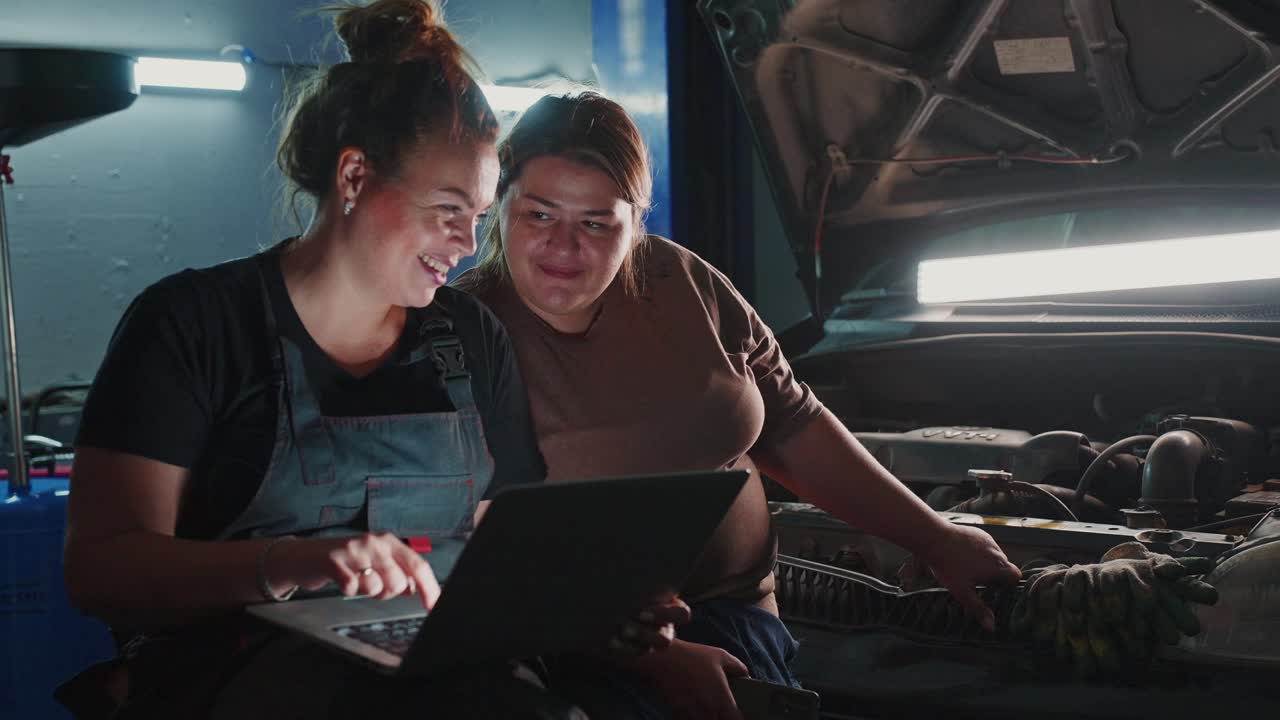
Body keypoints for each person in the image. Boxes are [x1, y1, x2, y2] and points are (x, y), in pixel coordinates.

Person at [57, 4, 678, 719]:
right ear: (354, 177)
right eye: (448, 209)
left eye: (478, 215)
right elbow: (101, 568)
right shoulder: (194, 326)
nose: (467, 242)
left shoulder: (468, 338)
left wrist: (595, 605)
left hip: (445, 673)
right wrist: (291, 562)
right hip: (230, 684)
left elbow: (505, 558)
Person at [455, 92, 1024, 719]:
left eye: (595, 222)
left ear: (635, 220)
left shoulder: (686, 284)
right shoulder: (460, 336)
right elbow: (464, 557)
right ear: (499, 205)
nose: (564, 247)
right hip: (562, 653)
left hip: (740, 619)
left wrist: (935, 536)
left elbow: (792, 422)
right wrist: (651, 656)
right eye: (539, 214)